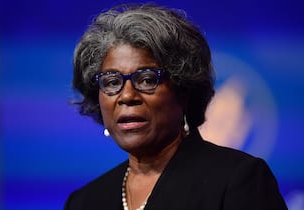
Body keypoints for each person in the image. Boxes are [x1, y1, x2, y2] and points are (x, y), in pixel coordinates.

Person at [64, 3, 287, 210]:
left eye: (147, 79)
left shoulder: (238, 180)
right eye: (112, 82)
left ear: (184, 89)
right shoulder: (85, 201)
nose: (127, 95)